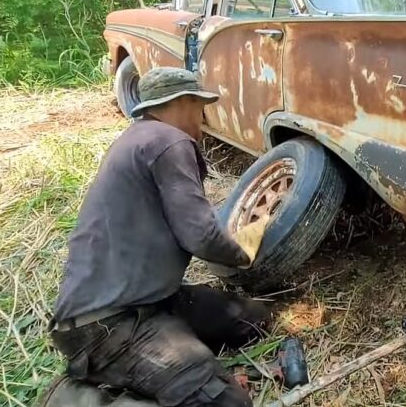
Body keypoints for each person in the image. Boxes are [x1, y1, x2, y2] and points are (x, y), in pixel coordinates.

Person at [49, 67, 269, 407]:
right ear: (184, 102)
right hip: (110, 325)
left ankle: (149, 370)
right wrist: (242, 252)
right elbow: (201, 237)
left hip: (152, 301)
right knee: (226, 402)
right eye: (201, 106)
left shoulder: (137, 138)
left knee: (251, 321)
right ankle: (80, 398)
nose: (203, 117)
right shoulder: (170, 140)